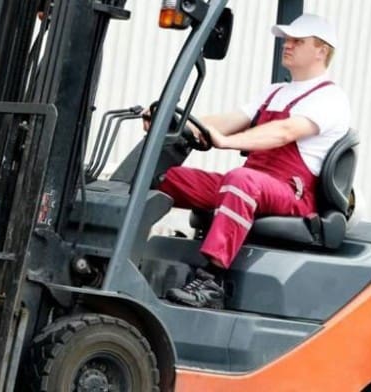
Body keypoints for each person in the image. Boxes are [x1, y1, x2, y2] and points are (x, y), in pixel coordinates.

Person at [144, 14, 352, 309]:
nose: (287, 45)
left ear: (321, 50)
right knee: (167, 176)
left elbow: (284, 132)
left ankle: (211, 280)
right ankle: (123, 249)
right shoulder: (275, 91)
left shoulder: (330, 98)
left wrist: (228, 141)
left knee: (240, 181)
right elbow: (230, 120)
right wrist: (175, 123)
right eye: (287, 40)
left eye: (297, 41)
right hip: (252, 184)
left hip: (291, 194)